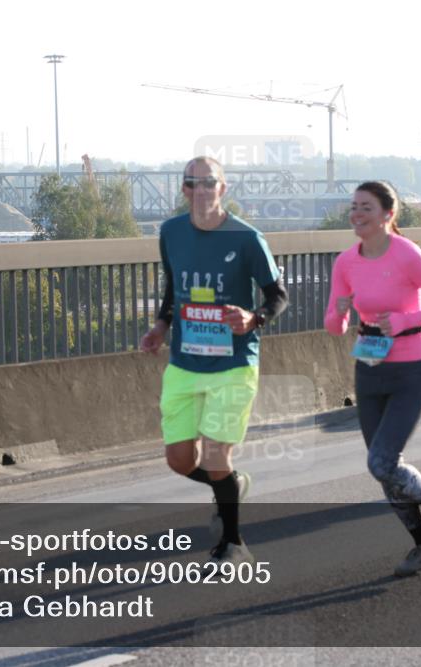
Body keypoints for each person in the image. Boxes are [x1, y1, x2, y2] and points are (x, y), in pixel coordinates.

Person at [140, 156, 288, 564]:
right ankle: (230, 486)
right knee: (179, 461)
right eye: (192, 183)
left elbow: (277, 296)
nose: (200, 190)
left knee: (216, 456)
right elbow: (174, 289)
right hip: (184, 364)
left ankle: (233, 544)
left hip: (234, 365)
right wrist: (160, 327)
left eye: (209, 183)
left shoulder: (247, 238)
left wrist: (254, 318)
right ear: (183, 189)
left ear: (223, 188)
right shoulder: (171, 232)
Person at [324, 181, 421, 577]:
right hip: (370, 367)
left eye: (366, 207)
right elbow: (334, 327)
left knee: (382, 461)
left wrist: (405, 320)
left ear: (388, 214)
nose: (357, 214)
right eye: (354, 206)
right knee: (383, 469)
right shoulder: (345, 262)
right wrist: (340, 312)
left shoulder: (406, 253)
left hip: (412, 367)